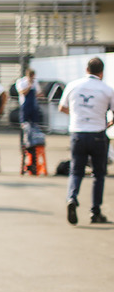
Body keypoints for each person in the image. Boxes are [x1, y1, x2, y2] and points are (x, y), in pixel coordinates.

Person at [59, 57, 114, 225]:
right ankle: (95, 212)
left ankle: (72, 197)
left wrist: (77, 116)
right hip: (98, 134)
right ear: (101, 72)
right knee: (98, 174)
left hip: (77, 133)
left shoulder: (73, 85)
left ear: (86, 69)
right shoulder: (106, 89)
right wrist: (107, 123)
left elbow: (62, 107)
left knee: (76, 171)